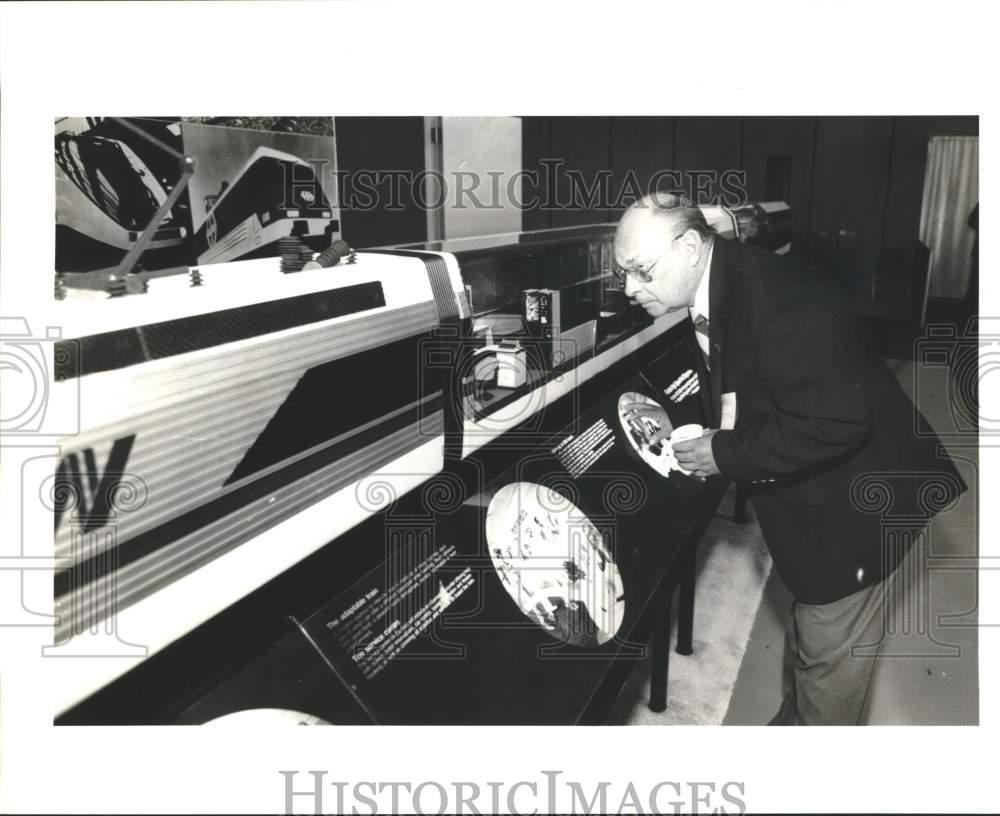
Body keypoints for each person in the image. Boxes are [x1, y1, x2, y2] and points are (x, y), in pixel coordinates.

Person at [616, 193, 966, 725]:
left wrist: (723, 451)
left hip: (860, 511)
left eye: (640, 271)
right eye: (623, 273)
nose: (628, 288)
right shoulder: (726, 278)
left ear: (689, 246)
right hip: (824, 500)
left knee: (829, 658)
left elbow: (840, 421)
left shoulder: (774, 296)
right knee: (811, 637)